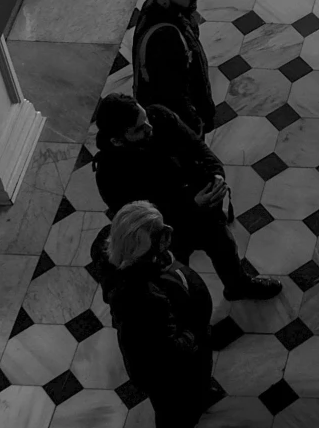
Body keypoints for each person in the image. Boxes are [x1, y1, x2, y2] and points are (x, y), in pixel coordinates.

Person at [92, 94, 281, 299]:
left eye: (144, 118)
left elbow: (198, 148)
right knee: (179, 278)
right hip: (166, 231)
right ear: (117, 140)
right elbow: (141, 219)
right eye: (139, 129)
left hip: (202, 206)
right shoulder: (109, 176)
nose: (149, 127)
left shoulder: (159, 116)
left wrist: (216, 175)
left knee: (225, 248)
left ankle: (238, 286)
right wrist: (191, 203)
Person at [103, 201, 234, 428]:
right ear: (142, 245)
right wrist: (196, 334)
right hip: (169, 370)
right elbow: (167, 350)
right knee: (175, 417)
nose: (169, 232)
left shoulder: (139, 262)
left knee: (188, 398)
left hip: (182, 355)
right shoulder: (143, 296)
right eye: (160, 232)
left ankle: (197, 397)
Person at [131, 0, 216, 136]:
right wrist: (196, 125)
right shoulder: (165, 39)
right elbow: (173, 96)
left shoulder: (164, 8)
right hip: (180, 129)